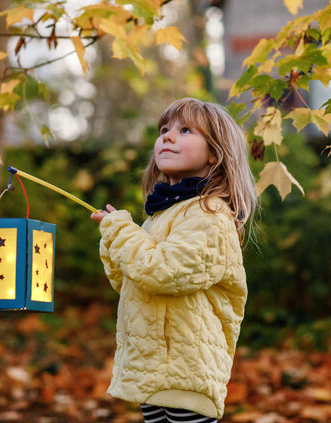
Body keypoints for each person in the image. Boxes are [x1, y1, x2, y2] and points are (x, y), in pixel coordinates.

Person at [90, 97, 257, 422]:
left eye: (184, 130)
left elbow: (162, 272)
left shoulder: (209, 214)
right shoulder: (163, 215)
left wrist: (123, 232)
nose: (167, 136)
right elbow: (130, 280)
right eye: (164, 129)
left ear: (214, 153)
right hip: (154, 366)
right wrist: (113, 238)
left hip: (188, 369)